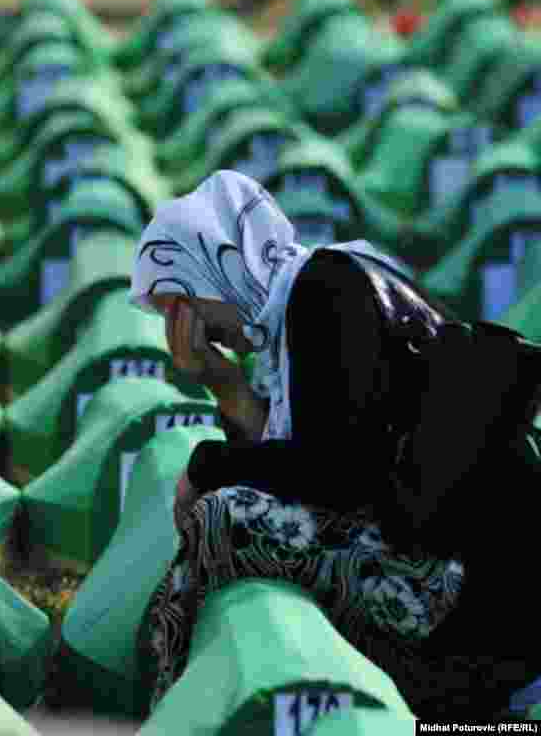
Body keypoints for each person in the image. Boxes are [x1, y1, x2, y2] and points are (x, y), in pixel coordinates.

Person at [130, 170, 541, 719]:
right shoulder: (306, 300)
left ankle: (167, 709)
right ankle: (172, 701)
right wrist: (221, 382)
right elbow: (310, 463)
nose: (187, 329)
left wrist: (206, 467)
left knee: (222, 517)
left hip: (460, 580)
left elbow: (335, 474)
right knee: (229, 513)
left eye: (182, 306)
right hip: (441, 563)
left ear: (217, 266)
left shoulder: (326, 289)